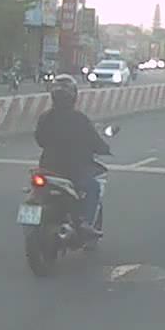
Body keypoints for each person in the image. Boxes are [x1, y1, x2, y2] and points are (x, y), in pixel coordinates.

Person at [35, 75, 111, 236]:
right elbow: (95, 141)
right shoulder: (79, 119)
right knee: (93, 188)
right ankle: (85, 223)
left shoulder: (45, 117)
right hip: (73, 170)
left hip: (47, 167)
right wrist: (104, 148)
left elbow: (40, 140)